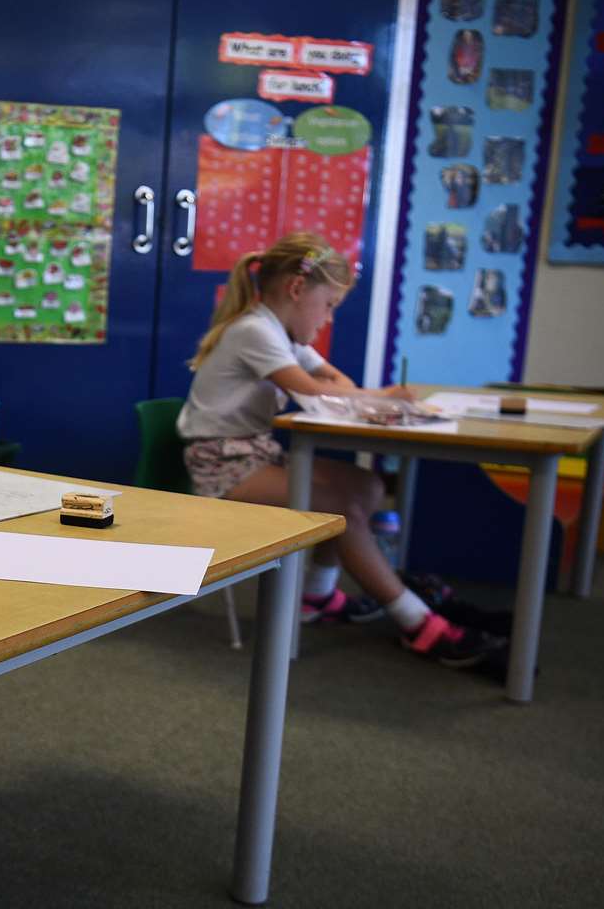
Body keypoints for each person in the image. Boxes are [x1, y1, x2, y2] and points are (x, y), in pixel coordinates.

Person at [177, 232, 502, 669]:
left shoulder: (284, 335)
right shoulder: (255, 330)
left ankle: (317, 596)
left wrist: (372, 396)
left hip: (254, 453)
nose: (328, 318)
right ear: (297, 290)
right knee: (340, 508)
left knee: (366, 485)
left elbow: (338, 383)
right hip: (221, 463)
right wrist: (383, 398)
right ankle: (416, 621)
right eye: (328, 304)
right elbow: (313, 390)